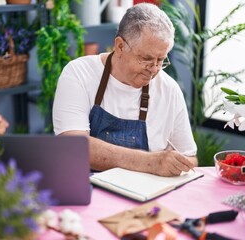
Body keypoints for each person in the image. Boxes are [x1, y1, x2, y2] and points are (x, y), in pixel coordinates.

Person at [52, 3, 197, 177]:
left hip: (146, 196)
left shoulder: (169, 89)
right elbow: (74, 146)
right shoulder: (79, 73)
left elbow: (189, 157)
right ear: (120, 46)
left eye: (161, 60)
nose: (154, 69)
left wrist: (175, 163)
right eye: (146, 59)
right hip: (88, 191)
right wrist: (151, 162)